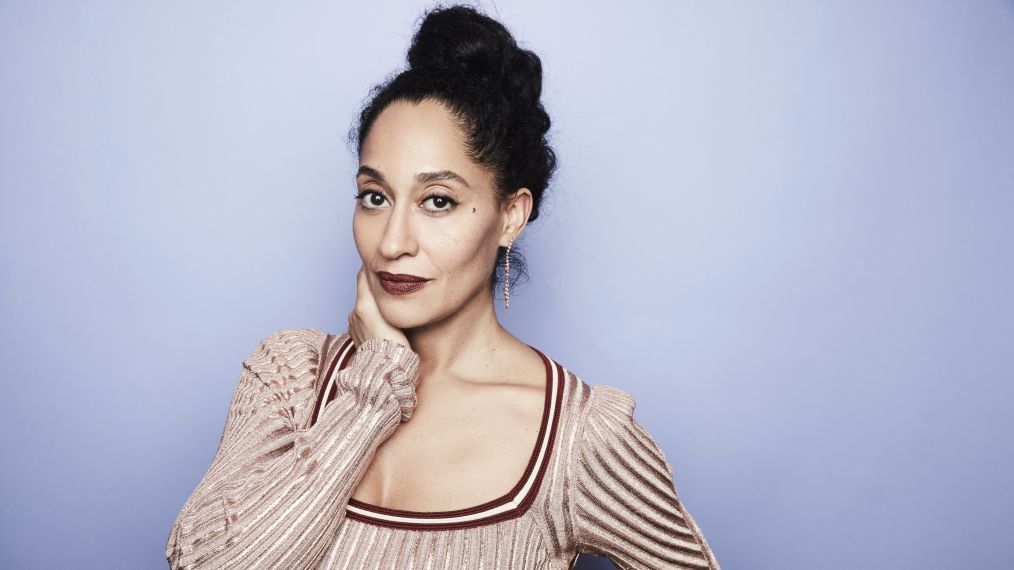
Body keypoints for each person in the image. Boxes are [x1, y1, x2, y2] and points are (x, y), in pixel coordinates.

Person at [165, 5, 720, 569]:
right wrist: (371, 392)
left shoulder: (579, 439)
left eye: (438, 201)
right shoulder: (291, 377)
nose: (392, 241)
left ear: (510, 215)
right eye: (374, 197)